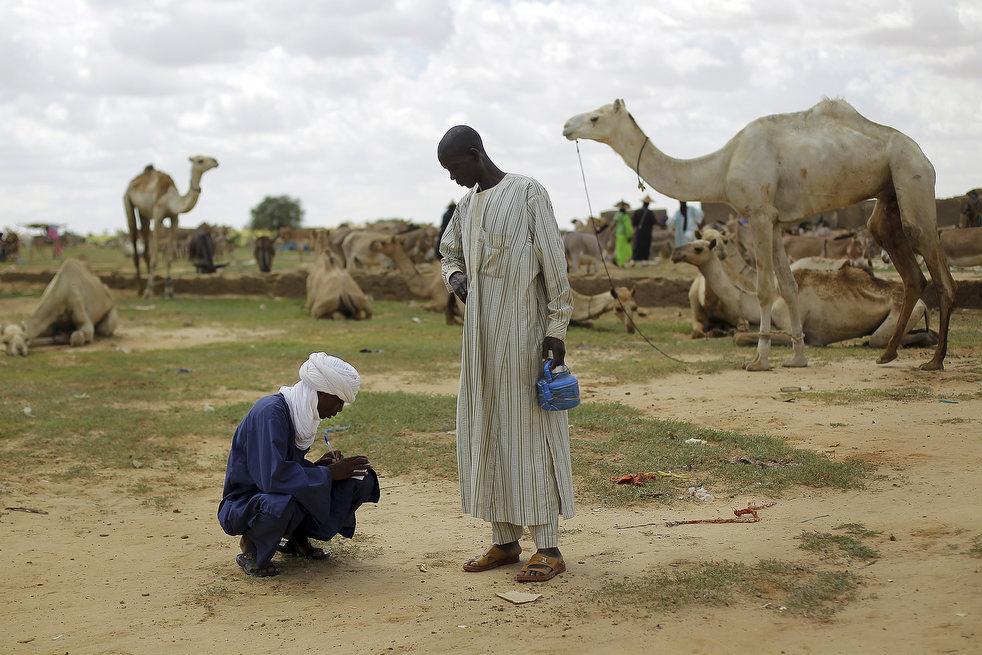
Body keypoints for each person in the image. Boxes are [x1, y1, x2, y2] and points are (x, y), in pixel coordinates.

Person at [437, 125, 575, 583]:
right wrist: (456, 278)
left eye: (454, 168)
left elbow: (553, 260)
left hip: (524, 340)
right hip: (479, 345)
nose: (453, 179)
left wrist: (556, 326)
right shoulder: (466, 206)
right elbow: (448, 252)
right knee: (489, 432)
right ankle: (505, 540)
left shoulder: (528, 193)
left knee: (528, 436)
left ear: (474, 155)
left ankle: (549, 548)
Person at [217, 352, 379, 577]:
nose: (339, 409)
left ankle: (296, 538)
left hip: (275, 491)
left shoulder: (301, 413)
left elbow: (286, 467)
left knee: (361, 479)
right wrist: (327, 473)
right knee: (283, 503)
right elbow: (271, 478)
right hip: (246, 502)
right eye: (339, 401)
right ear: (321, 393)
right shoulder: (270, 412)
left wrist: (320, 467)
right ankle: (252, 546)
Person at [632, 195, 656, 262]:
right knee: (646, 245)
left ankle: (633, 260)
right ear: (648, 204)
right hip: (647, 232)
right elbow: (654, 222)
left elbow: (634, 223)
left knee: (637, 245)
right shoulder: (650, 213)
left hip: (639, 232)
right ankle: (644, 260)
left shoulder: (637, 212)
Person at [612, 200, 633, 266]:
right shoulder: (625, 216)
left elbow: (614, 225)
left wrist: (614, 232)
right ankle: (621, 263)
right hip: (624, 234)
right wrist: (629, 235)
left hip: (618, 234)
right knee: (624, 249)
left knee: (619, 248)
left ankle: (618, 260)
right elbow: (628, 227)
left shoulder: (617, 215)